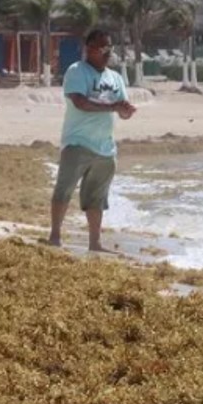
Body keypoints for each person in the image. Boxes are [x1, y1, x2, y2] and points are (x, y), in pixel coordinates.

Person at [48, 29, 136, 253]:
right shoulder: (77, 71)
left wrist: (126, 110)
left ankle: (95, 243)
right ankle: (55, 236)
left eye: (110, 48)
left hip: (105, 148)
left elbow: (121, 111)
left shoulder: (115, 78)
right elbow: (80, 102)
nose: (108, 53)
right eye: (103, 48)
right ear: (89, 49)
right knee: (64, 190)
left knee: (97, 198)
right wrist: (113, 107)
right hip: (78, 142)